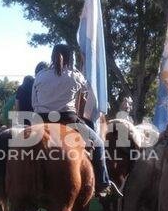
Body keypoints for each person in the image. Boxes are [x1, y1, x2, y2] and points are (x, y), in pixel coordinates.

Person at [32, 44, 117, 197]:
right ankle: (102, 183)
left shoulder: (40, 75)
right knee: (98, 143)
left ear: (52, 56)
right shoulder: (76, 76)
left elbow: (34, 102)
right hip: (68, 120)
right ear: (70, 58)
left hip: (41, 121)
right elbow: (85, 96)